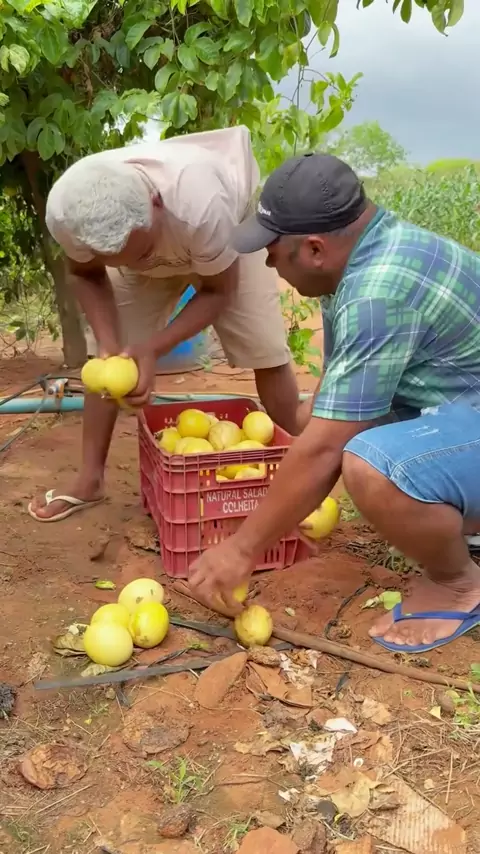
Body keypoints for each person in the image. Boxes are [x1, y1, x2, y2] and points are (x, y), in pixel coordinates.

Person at [189, 152, 480, 654]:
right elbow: (322, 417)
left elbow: (326, 448)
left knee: (371, 466)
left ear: (315, 249)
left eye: (273, 251)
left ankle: (458, 584)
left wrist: (242, 548)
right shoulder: (361, 258)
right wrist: (294, 486)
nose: (268, 263)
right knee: (351, 436)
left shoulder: (377, 294)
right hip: (462, 406)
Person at [28, 126, 299, 523]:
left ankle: (304, 468)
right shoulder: (69, 211)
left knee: (266, 349)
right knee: (104, 364)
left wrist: (154, 349)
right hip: (161, 231)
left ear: (155, 203)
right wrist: (111, 346)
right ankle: (90, 481)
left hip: (222, 235)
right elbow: (85, 274)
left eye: (140, 252)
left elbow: (218, 291)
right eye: (117, 259)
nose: (135, 264)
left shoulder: (202, 205)